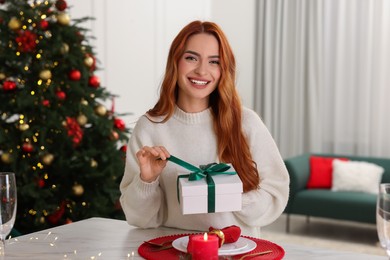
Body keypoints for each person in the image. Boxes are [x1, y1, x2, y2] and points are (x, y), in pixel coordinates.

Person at [119, 20, 289, 237]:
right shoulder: (150, 127)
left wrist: (229, 198)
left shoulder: (246, 122)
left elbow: (276, 192)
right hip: (172, 248)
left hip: (236, 249)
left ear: (223, 69)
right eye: (191, 58)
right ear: (175, 62)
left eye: (214, 62)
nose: (202, 70)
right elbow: (138, 219)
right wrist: (147, 181)